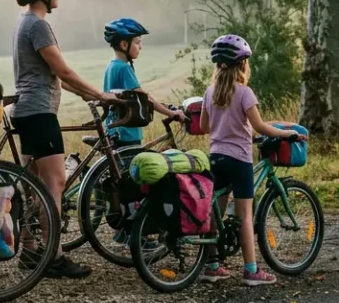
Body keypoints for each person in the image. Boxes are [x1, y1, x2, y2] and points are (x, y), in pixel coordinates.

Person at [10, 0, 118, 279]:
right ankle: (54, 256)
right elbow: (63, 70)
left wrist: (88, 95)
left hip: (26, 110)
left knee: (33, 186)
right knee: (53, 184)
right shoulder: (39, 26)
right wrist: (103, 94)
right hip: (40, 112)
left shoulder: (24, 22)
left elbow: (53, 77)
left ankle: (30, 250)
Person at [198, 34, 298, 286]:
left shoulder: (210, 93)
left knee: (215, 210)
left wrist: (226, 129)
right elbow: (260, 126)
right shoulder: (244, 93)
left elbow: (204, 126)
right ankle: (251, 270)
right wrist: (287, 133)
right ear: (242, 64)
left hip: (216, 157)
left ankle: (211, 266)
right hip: (239, 160)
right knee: (244, 216)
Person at [101, 17, 187, 146]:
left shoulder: (111, 66)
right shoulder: (124, 68)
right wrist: (172, 113)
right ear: (124, 45)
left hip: (113, 130)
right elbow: (144, 98)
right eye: (137, 42)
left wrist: (164, 105)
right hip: (127, 133)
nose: (140, 47)